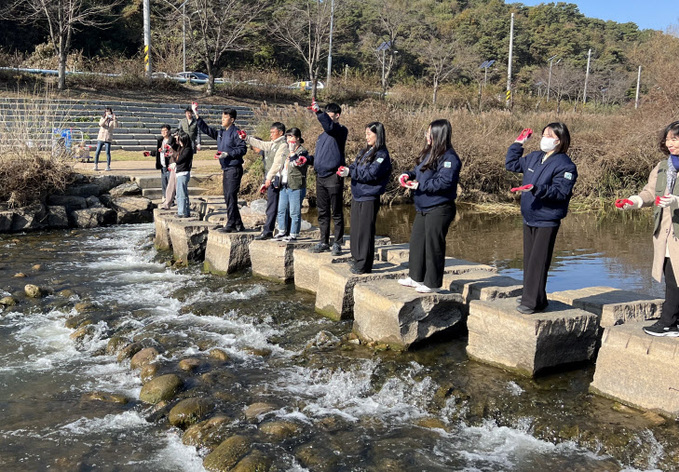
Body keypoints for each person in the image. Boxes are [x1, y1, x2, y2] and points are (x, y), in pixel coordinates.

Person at [505, 123, 577, 314]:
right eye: (543, 134)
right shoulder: (535, 157)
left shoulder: (566, 165)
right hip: (529, 216)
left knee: (538, 261)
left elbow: (561, 192)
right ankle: (538, 298)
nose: (544, 138)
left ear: (559, 140)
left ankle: (531, 302)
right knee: (529, 260)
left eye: (549, 135)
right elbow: (511, 164)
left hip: (547, 219)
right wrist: (518, 143)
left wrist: (537, 189)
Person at [616, 121, 679, 336]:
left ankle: (668, 322)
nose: (670, 143)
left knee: (675, 277)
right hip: (666, 232)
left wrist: (676, 201)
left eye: (675, 138)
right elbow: (650, 193)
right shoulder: (663, 166)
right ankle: (673, 321)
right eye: (668, 139)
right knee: (670, 274)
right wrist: (633, 201)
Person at [397, 119, 461, 293]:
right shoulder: (429, 152)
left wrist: (419, 186)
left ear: (438, 134)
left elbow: (445, 182)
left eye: (429, 132)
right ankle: (415, 277)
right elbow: (419, 171)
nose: (426, 135)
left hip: (439, 208)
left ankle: (432, 283)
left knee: (433, 246)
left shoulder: (450, 158)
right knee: (417, 242)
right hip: (423, 206)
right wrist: (407, 175)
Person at [338, 122, 391, 274]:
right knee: (355, 229)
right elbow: (355, 167)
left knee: (366, 231)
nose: (366, 137)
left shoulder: (382, 155)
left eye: (369, 134)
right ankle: (356, 257)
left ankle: (364, 264)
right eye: (366, 133)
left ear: (377, 135)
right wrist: (347, 169)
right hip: (358, 194)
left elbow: (371, 174)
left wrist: (350, 173)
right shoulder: (364, 151)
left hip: (369, 195)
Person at [194, 104, 248, 232]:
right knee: (228, 196)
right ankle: (238, 224)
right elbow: (207, 130)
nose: (222, 119)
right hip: (226, 168)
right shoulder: (221, 133)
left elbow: (243, 148)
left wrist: (228, 154)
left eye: (225, 117)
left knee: (230, 195)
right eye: (222, 117)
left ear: (232, 119)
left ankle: (230, 224)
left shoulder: (236, 133)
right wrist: (196, 115)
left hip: (234, 168)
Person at [308, 100, 348, 255]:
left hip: (334, 176)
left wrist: (318, 112)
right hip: (321, 177)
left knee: (336, 211)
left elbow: (330, 127)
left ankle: (337, 243)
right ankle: (323, 241)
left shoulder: (340, 130)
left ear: (337, 116)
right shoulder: (322, 136)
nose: (326, 120)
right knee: (322, 211)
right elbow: (320, 156)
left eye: (329, 116)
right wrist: (308, 160)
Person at [241, 123, 288, 240]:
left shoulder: (283, 145)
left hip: (277, 180)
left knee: (276, 207)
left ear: (281, 133)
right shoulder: (273, 144)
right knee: (273, 206)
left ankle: (271, 231)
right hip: (272, 179)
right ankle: (273, 230)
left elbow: (277, 164)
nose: (271, 135)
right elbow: (261, 144)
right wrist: (246, 138)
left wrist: (268, 178)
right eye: (270, 132)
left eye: (273, 132)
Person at [274, 128, 310, 242]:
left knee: (294, 211)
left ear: (297, 138)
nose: (289, 139)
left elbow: (297, 164)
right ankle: (282, 231)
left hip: (296, 185)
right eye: (287, 137)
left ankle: (294, 233)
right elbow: (280, 166)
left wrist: (293, 153)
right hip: (284, 184)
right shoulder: (285, 151)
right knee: (281, 209)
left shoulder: (302, 151)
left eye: (291, 137)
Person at [144, 124, 175, 199]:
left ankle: (172, 199)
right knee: (164, 183)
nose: (164, 132)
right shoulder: (160, 140)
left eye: (165, 131)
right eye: (162, 131)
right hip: (162, 165)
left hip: (170, 165)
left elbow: (173, 151)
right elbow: (159, 151)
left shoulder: (172, 140)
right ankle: (165, 198)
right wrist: (150, 153)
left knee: (170, 184)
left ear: (169, 131)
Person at [174, 132, 194, 218]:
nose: (179, 142)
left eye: (181, 140)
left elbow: (180, 160)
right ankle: (186, 212)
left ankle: (181, 212)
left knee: (180, 193)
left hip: (183, 173)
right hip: (181, 173)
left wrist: (174, 162)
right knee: (183, 193)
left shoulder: (187, 149)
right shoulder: (182, 148)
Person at [93, 107, 118, 171]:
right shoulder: (102, 118)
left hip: (108, 138)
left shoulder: (113, 120)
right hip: (101, 137)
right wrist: (106, 119)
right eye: (107, 111)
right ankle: (95, 165)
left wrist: (114, 119)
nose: (108, 113)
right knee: (97, 152)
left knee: (107, 152)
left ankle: (108, 166)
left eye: (109, 111)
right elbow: (100, 124)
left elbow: (115, 126)